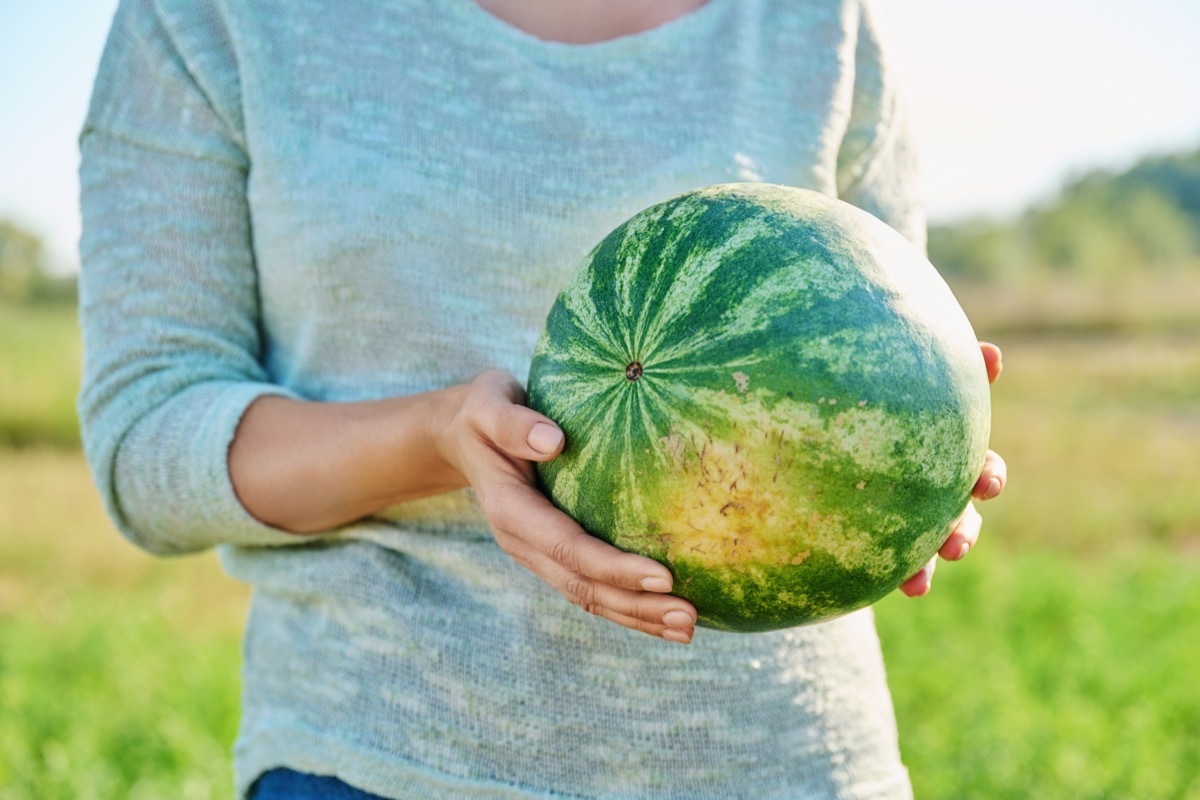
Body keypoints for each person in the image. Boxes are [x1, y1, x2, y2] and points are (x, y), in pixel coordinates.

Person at [77, 0, 1008, 797]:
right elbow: (147, 441)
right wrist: (438, 437)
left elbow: (892, 354)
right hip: (380, 764)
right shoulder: (213, 19)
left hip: (794, 762)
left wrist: (925, 465)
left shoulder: (816, 22)